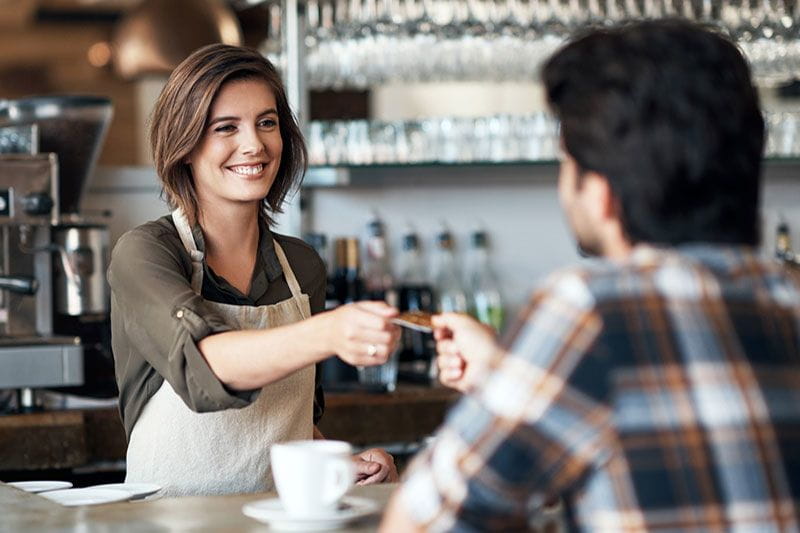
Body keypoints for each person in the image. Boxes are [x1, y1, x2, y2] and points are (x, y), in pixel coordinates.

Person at [381, 20, 800, 531]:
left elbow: (422, 521)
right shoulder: (786, 296)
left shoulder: (590, 310)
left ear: (600, 192)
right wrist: (504, 373)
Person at [108, 44, 400, 497]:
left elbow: (285, 428)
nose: (255, 145)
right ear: (184, 145)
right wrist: (330, 331)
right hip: (168, 525)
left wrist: (348, 465)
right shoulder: (145, 253)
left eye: (267, 122)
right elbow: (206, 366)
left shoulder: (302, 266)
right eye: (226, 128)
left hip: (281, 522)